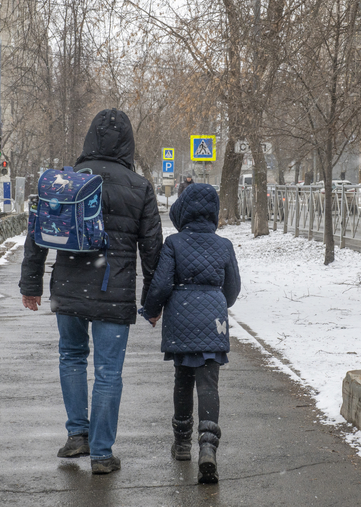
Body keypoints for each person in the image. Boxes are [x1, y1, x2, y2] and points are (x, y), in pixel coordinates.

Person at [19, 108, 162, 474]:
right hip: (114, 289)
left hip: (67, 286)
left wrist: (31, 284)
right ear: (128, 143)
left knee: (71, 357)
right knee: (108, 372)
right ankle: (101, 453)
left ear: (90, 139)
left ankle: (76, 435)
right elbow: (152, 250)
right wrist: (153, 301)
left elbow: (36, 235)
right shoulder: (140, 187)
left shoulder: (67, 181)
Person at [141, 183, 241, 484]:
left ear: (182, 210)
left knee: (183, 381)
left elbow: (160, 284)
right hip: (213, 320)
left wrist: (151, 309)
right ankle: (208, 448)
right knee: (209, 384)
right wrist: (216, 302)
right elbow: (233, 289)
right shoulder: (224, 245)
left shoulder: (174, 243)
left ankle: (182, 443)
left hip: (181, 317)